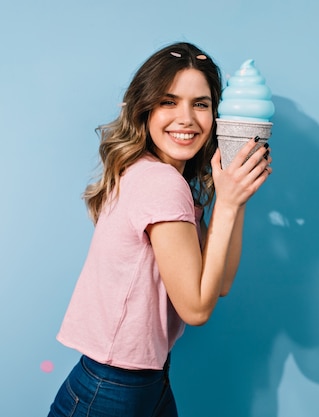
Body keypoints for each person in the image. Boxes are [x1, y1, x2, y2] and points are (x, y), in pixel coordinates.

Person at [47, 41, 272, 417]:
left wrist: (238, 197)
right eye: (169, 102)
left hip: (141, 382)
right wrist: (228, 203)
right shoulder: (159, 183)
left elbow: (221, 283)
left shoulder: (157, 176)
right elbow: (197, 309)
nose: (185, 118)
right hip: (112, 389)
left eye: (200, 104)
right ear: (145, 109)